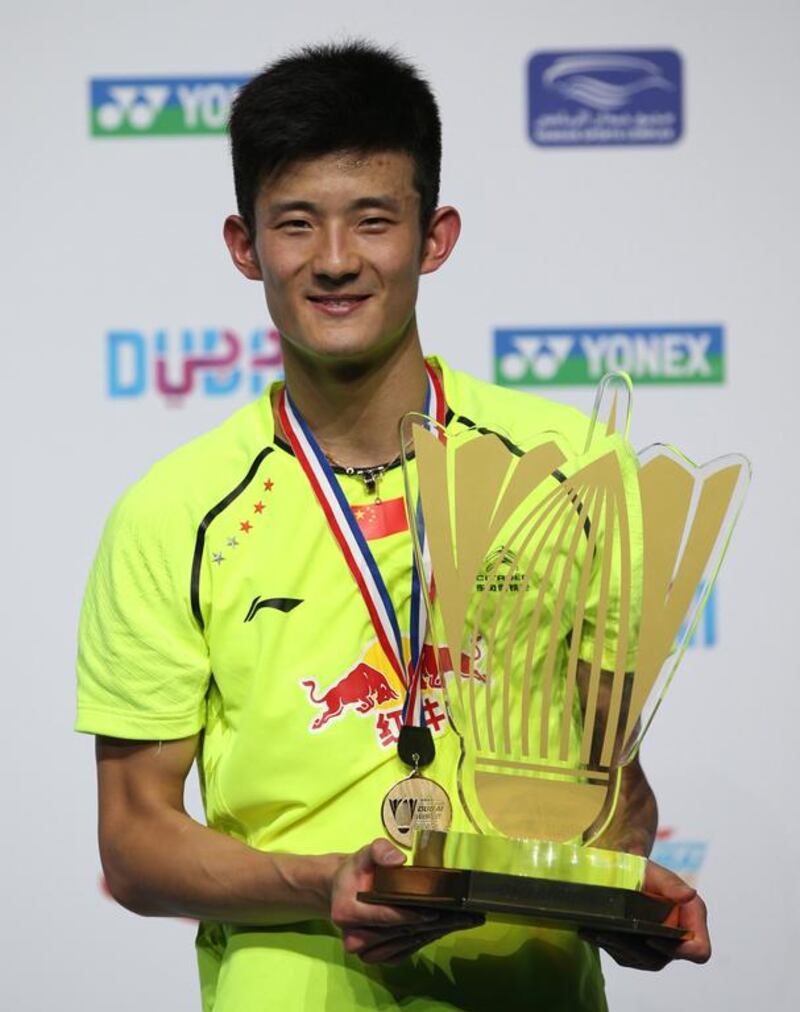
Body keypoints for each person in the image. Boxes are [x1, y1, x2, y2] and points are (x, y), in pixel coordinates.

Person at [76, 41, 710, 1011]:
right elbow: (131, 841)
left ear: (434, 236)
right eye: (295, 224)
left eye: (373, 220)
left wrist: (625, 897)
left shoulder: (574, 468)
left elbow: (612, 785)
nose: (334, 261)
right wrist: (318, 880)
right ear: (244, 246)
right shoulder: (173, 512)